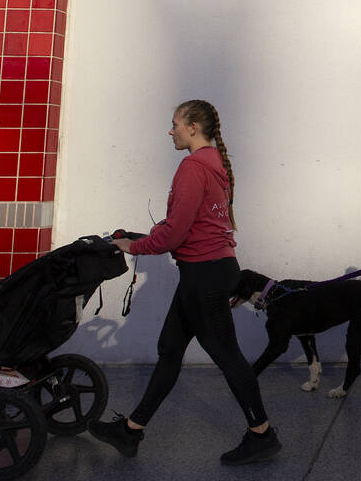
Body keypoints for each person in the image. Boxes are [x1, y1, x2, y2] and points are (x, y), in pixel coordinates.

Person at [89, 99, 281, 464]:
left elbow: (175, 234)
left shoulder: (193, 167)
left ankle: (262, 433)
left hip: (205, 276)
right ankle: (131, 430)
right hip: (208, 271)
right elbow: (190, 223)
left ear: (193, 127)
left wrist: (136, 245)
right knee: (169, 350)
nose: (171, 130)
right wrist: (156, 233)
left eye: (175, 124)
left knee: (228, 356)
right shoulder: (214, 164)